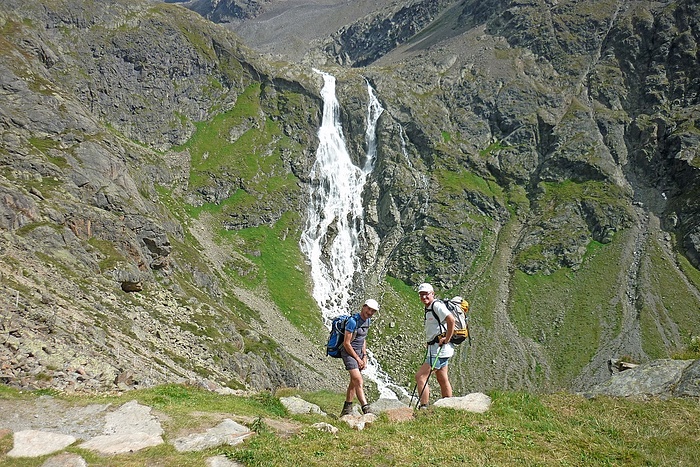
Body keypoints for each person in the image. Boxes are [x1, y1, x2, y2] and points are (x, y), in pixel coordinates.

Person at [414, 282, 454, 409]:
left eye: (426, 295)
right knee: (442, 378)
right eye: (421, 295)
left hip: (439, 350)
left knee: (420, 377)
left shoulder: (436, 305)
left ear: (432, 294)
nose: (424, 298)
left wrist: (447, 339)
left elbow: (451, 319)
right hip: (440, 349)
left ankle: (424, 407)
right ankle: (449, 405)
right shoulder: (430, 307)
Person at [339, 298, 379, 416]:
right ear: (363, 307)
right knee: (358, 380)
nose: (370, 313)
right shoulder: (352, 321)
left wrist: (364, 356)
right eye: (369, 310)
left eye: (373, 311)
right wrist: (357, 358)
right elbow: (346, 343)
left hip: (359, 354)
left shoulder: (367, 321)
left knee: (354, 381)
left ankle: (347, 408)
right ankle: (365, 408)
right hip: (348, 353)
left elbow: (363, 339)